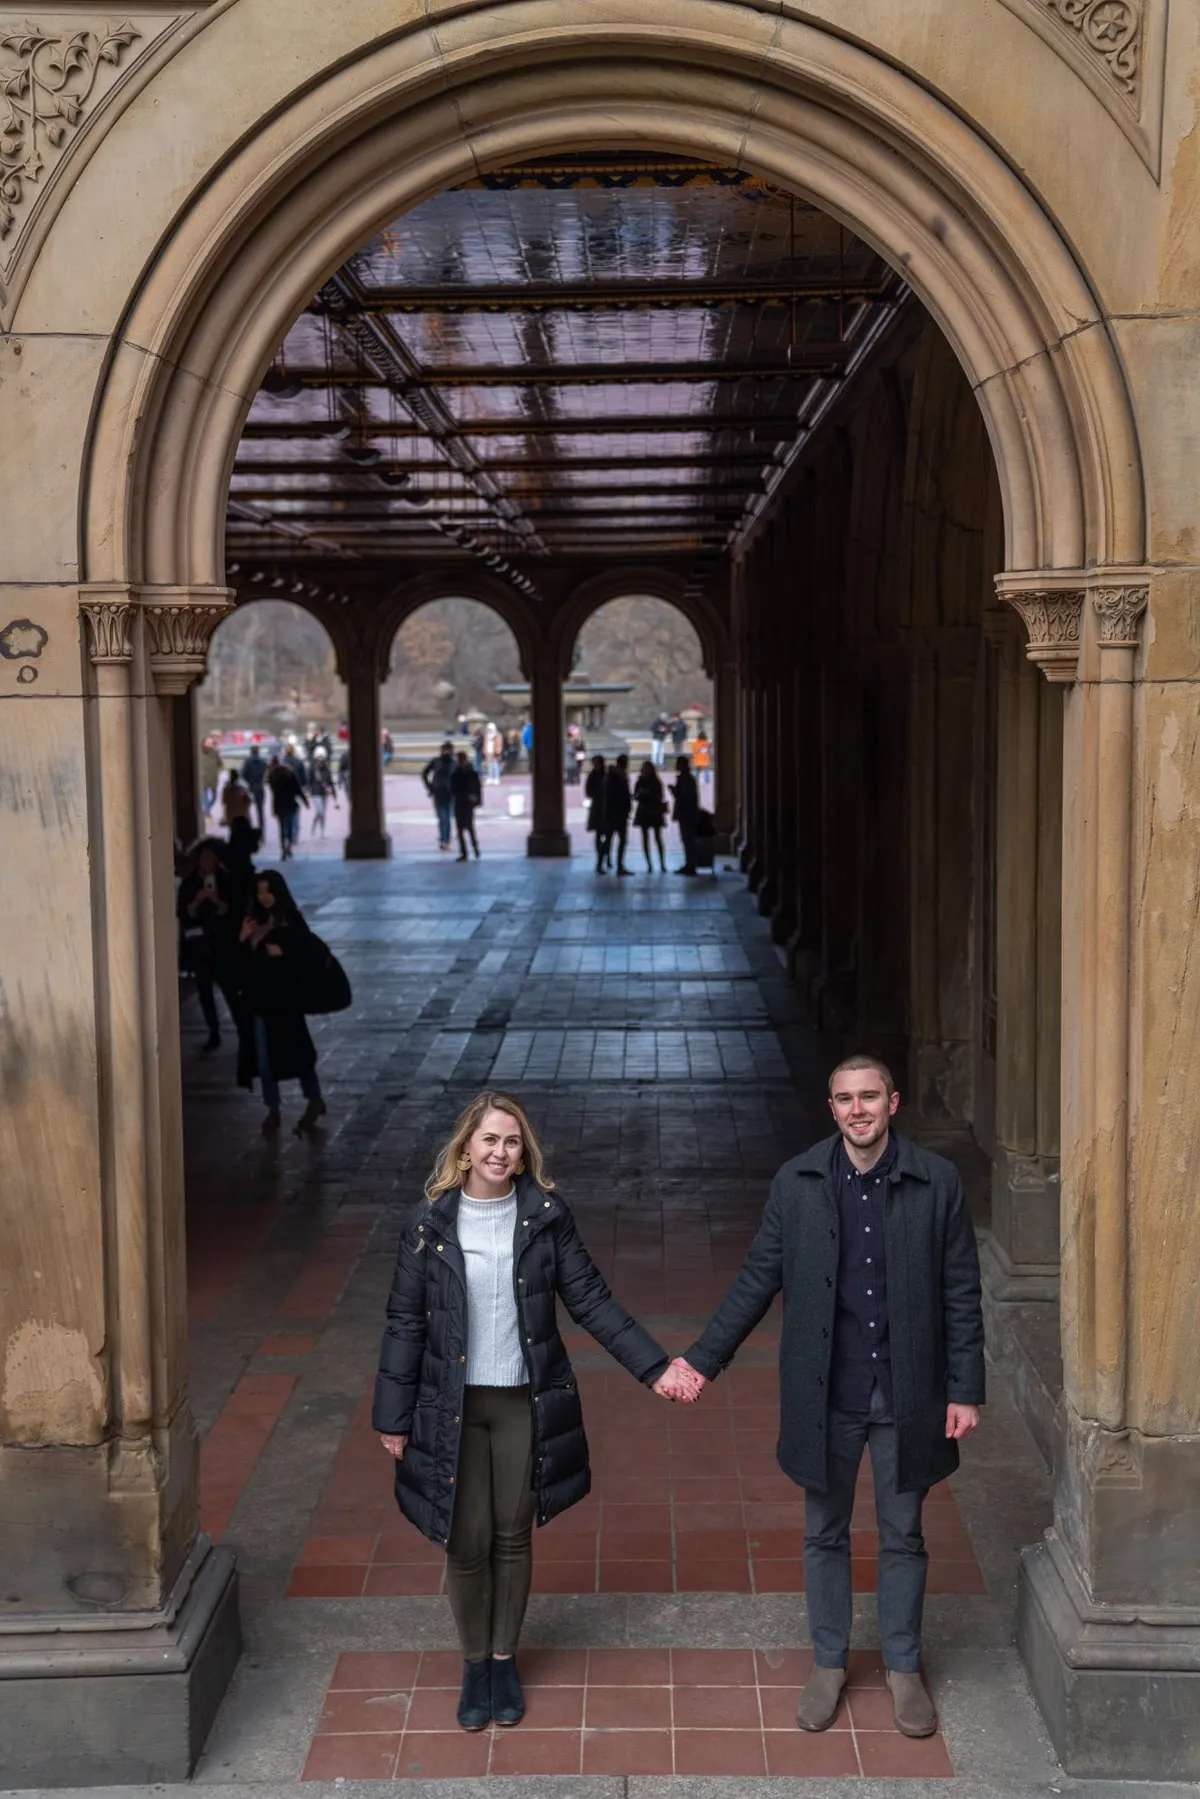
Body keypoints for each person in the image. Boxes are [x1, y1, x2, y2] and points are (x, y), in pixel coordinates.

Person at [656, 1055, 985, 1740]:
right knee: (823, 1532)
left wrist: (965, 1388)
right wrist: (701, 1360)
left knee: (904, 1533)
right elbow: (757, 1278)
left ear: (893, 1102)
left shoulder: (937, 1182)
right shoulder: (799, 1181)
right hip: (826, 1392)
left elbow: (960, 1291)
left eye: (869, 1096)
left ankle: (902, 1667)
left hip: (908, 1392)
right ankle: (829, 1663)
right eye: (844, 1099)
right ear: (830, 1107)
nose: (857, 1109)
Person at [373, 1091, 683, 1732]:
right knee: (465, 1540)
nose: (500, 1152)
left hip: (520, 1399)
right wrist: (392, 1416)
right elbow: (404, 1321)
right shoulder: (428, 1224)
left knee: (512, 1535)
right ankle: (473, 1665)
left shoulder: (544, 1217)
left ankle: (503, 1658)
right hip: (451, 1405)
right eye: (488, 1140)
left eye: (512, 1142)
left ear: (524, 1152)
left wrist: (655, 1366)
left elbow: (590, 1298)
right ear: (465, 1148)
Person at [236, 870, 326, 1136]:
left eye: (268, 891)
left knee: (299, 1055)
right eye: (260, 891)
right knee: (264, 1058)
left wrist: (285, 951)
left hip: (286, 1001)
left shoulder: (289, 918)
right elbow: (239, 963)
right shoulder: (252, 920)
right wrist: (243, 939)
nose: (264, 897)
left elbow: (309, 950)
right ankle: (272, 1108)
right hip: (260, 1001)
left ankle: (314, 1099)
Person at [176, 840, 240, 1051]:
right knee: (205, 992)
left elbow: (232, 912)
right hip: (199, 946)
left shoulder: (226, 879)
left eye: (211, 858)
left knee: (230, 990)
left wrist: (216, 900)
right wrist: (196, 901)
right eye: (204, 857)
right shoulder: (190, 882)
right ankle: (213, 1031)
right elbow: (184, 914)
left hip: (222, 945)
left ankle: (242, 1030)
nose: (207, 862)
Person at [266, 753, 307, 860]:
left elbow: (271, 788)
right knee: (289, 826)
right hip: (290, 802)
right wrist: (305, 801)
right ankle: (289, 847)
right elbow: (297, 789)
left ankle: (283, 847)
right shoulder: (290, 773)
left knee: (281, 827)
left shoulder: (272, 775)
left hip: (278, 803)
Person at [632, 759, 667, 872]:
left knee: (655, 838)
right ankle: (652, 864)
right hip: (651, 810)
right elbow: (636, 796)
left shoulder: (642, 781)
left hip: (647, 810)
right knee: (651, 838)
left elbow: (659, 795)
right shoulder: (654, 781)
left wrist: (645, 794)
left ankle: (658, 864)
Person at [669, 753, 700, 875]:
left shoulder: (685, 779)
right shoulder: (687, 778)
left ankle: (691, 865)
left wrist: (674, 791)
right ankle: (689, 864)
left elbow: (685, 797)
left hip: (687, 813)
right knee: (687, 840)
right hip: (688, 813)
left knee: (688, 840)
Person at [423, 741, 456, 852]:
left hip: (449, 793)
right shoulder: (437, 762)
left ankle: (445, 840)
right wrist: (429, 787)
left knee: (446, 818)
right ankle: (444, 840)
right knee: (443, 818)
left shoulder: (453, 763)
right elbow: (424, 773)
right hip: (439, 793)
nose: (447, 752)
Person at [603, 752, 633, 876]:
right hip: (619, 813)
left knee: (609, 839)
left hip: (611, 812)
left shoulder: (610, 776)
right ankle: (619, 865)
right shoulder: (621, 778)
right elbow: (622, 795)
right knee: (621, 840)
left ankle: (601, 863)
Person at [451, 749, 482, 860]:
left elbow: (477, 787)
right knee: (462, 829)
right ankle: (465, 852)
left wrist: (476, 799)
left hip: (466, 803)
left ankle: (474, 849)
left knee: (469, 828)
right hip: (461, 802)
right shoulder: (457, 773)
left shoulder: (469, 773)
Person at [584, 753, 608, 873]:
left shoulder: (594, 775)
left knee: (604, 835)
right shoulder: (604, 775)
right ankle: (602, 858)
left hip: (600, 807)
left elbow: (589, 791)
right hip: (601, 807)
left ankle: (603, 857)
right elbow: (589, 792)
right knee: (601, 834)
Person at [240, 743, 267, 833]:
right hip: (260, 787)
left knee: (247, 810)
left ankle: (249, 829)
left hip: (250, 787)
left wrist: (249, 781)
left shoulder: (247, 762)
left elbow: (243, 774)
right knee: (260, 811)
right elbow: (266, 774)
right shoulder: (263, 762)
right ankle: (261, 831)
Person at [309, 746, 334, 835]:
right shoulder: (312, 768)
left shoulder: (327, 768)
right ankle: (317, 827)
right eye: (319, 756)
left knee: (322, 812)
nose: (320, 758)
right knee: (321, 811)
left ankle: (321, 830)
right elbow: (310, 780)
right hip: (315, 792)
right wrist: (308, 790)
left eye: (322, 756)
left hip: (324, 792)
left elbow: (330, 781)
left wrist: (333, 793)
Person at [200, 736, 223, 823]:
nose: (210, 744)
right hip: (204, 780)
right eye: (208, 742)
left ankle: (206, 811)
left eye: (211, 742)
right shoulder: (201, 753)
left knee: (214, 797)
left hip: (213, 779)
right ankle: (207, 814)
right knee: (205, 798)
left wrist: (218, 771)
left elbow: (220, 764)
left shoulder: (215, 753)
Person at [692, 727, 713, 799]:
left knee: (696, 772)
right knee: (706, 771)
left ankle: (696, 781)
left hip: (697, 759)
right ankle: (707, 781)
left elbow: (694, 751)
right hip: (705, 759)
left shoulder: (695, 743)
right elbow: (709, 750)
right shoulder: (706, 743)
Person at [484, 721, 503, 786]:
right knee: (489, 767)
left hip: (495, 753)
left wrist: (497, 752)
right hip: (488, 752)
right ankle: (490, 778)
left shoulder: (498, 735)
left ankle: (496, 778)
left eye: (490, 729)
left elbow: (499, 745)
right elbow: (485, 744)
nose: (489, 730)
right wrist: (485, 751)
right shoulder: (487, 735)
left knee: (495, 766)